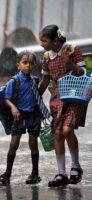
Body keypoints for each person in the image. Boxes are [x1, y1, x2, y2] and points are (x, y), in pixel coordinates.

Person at [39, 25, 87, 187]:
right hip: (58, 97)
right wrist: (35, 97)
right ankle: (61, 174)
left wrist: (68, 61)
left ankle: (76, 166)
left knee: (67, 130)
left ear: (55, 40)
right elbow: (45, 80)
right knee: (58, 133)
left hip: (75, 95)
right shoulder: (46, 56)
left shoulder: (73, 50)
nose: (41, 44)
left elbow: (82, 73)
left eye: (44, 41)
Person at [0, 51, 49, 185]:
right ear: (18, 65)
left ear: (34, 66)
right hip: (19, 115)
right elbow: (6, 99)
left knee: (33, 144)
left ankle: (35, 174)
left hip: (33, 115)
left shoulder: (34, 80)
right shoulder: (14, 81)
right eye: (24, 63)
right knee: (14, 144)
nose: (27, 66)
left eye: (31, 63)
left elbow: (38, 94)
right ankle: (7, 173)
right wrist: (13, 107)